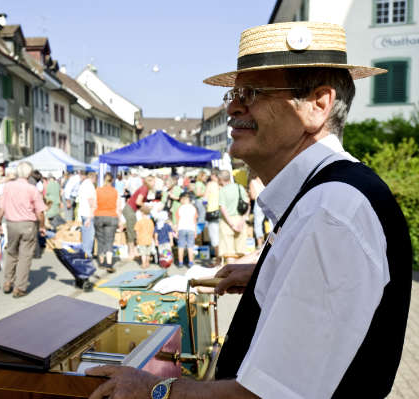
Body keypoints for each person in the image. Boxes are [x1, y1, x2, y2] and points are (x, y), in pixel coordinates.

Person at [86, 21, 412, 399]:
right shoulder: (332, 197)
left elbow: (266, 395)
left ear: (317, 105)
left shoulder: (330, 212)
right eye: (234, 93)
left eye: (253, 92)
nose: (233, 107)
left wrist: (156, 389)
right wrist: (270, 274)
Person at [0, 162, 46, 298]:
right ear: (29, 174)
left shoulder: (8, 187)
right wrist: (42, 226)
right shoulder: (32, 189)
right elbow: (40, 211)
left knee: (12, 252)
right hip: (28, 224)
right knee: (25, 256)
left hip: (11, 223)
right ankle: (19, 287)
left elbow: (1, 206)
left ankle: (7, 281)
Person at [217, 170, 250, 262]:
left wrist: (232, 225)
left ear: (220, 179)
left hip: (227, 222)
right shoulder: (240, 188)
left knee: (229, 252)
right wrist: (242, 221)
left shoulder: (222, 191)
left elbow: (223, 209)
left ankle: (231, 273)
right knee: (241, 252)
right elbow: (247, 205)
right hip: (240, 220)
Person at [122, 175, 155, 259]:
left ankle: (134, 251)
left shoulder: (144, 188)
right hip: (130, 210)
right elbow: (138, 202)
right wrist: (147, 207)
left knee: (133, 229)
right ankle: (131, 252)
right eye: (153, 181)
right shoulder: (144, 189)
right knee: (131, 231)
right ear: (149, 182)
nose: (154, 184)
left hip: (131, 210)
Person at [94, 172, 119, 272]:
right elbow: (118, 206)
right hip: (111, 216)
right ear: (112, 180)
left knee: (100, 240)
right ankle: (109, 264)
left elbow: (94, 204)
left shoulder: (98, 191)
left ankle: (101, 262)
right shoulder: (115, 191)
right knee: (109, 240)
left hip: (99, 215)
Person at [249, 170, 272, 248]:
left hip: (258, 202)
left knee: (258, 224)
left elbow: (252, 196)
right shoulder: (267, 180)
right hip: (268, 201)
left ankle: (259, 244)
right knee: (272, 223)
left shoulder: (253, 182)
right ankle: (272, 242)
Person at [77, 172, 97, 258]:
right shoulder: (90, 186)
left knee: (85, 235)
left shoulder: (83, 184)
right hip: (88, 213)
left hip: (83, 212)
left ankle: (84, 253)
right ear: (94, 178)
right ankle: (87, 255)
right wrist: (90, 216)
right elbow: (91, 201)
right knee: (89, 236)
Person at [204, 168, 222, 265]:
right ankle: (222, 260)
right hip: (222, 212)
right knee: (221, 237)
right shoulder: (221, 185)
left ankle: (218, 261)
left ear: (213, 175)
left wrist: (205, 204)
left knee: (215, 238)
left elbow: (205, 199)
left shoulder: (210, 184)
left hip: (212, 212)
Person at [176, 192, 197, 268]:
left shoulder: (180, 208)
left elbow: (178, 220)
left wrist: (176, 230)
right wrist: (195, 231)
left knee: (180, 246)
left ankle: (180, 262)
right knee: (190, 246)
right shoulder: (193, 208)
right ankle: (190, 262)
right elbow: (195, 220)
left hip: (181, 228)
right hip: (191, 229)